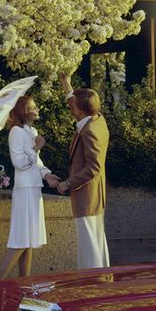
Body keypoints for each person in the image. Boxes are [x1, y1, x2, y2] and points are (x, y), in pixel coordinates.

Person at [0, 95, 59, 280]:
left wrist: (46, 175)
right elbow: (19, 162)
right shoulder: (15, 132)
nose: (37, 109)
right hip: (24, 190)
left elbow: (35, 162)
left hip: (34, 188)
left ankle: (24, 285)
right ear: (24, 112)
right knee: (21, 240)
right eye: (33, 107)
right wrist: (37, 147)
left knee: (29, 240)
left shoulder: (31, 130)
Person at [57, 72, 110, 269]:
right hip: (94, 195)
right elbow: (73, 100)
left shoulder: (90, 131)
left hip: (87, 195)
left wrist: (68, 183)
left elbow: (93, 168)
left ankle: (92, 286)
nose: (71, 105)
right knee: (96, 241)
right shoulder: (96, 120)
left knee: (89, 245)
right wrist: (66, 83)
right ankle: (101, 282)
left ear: (80, 111)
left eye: (74, 104)